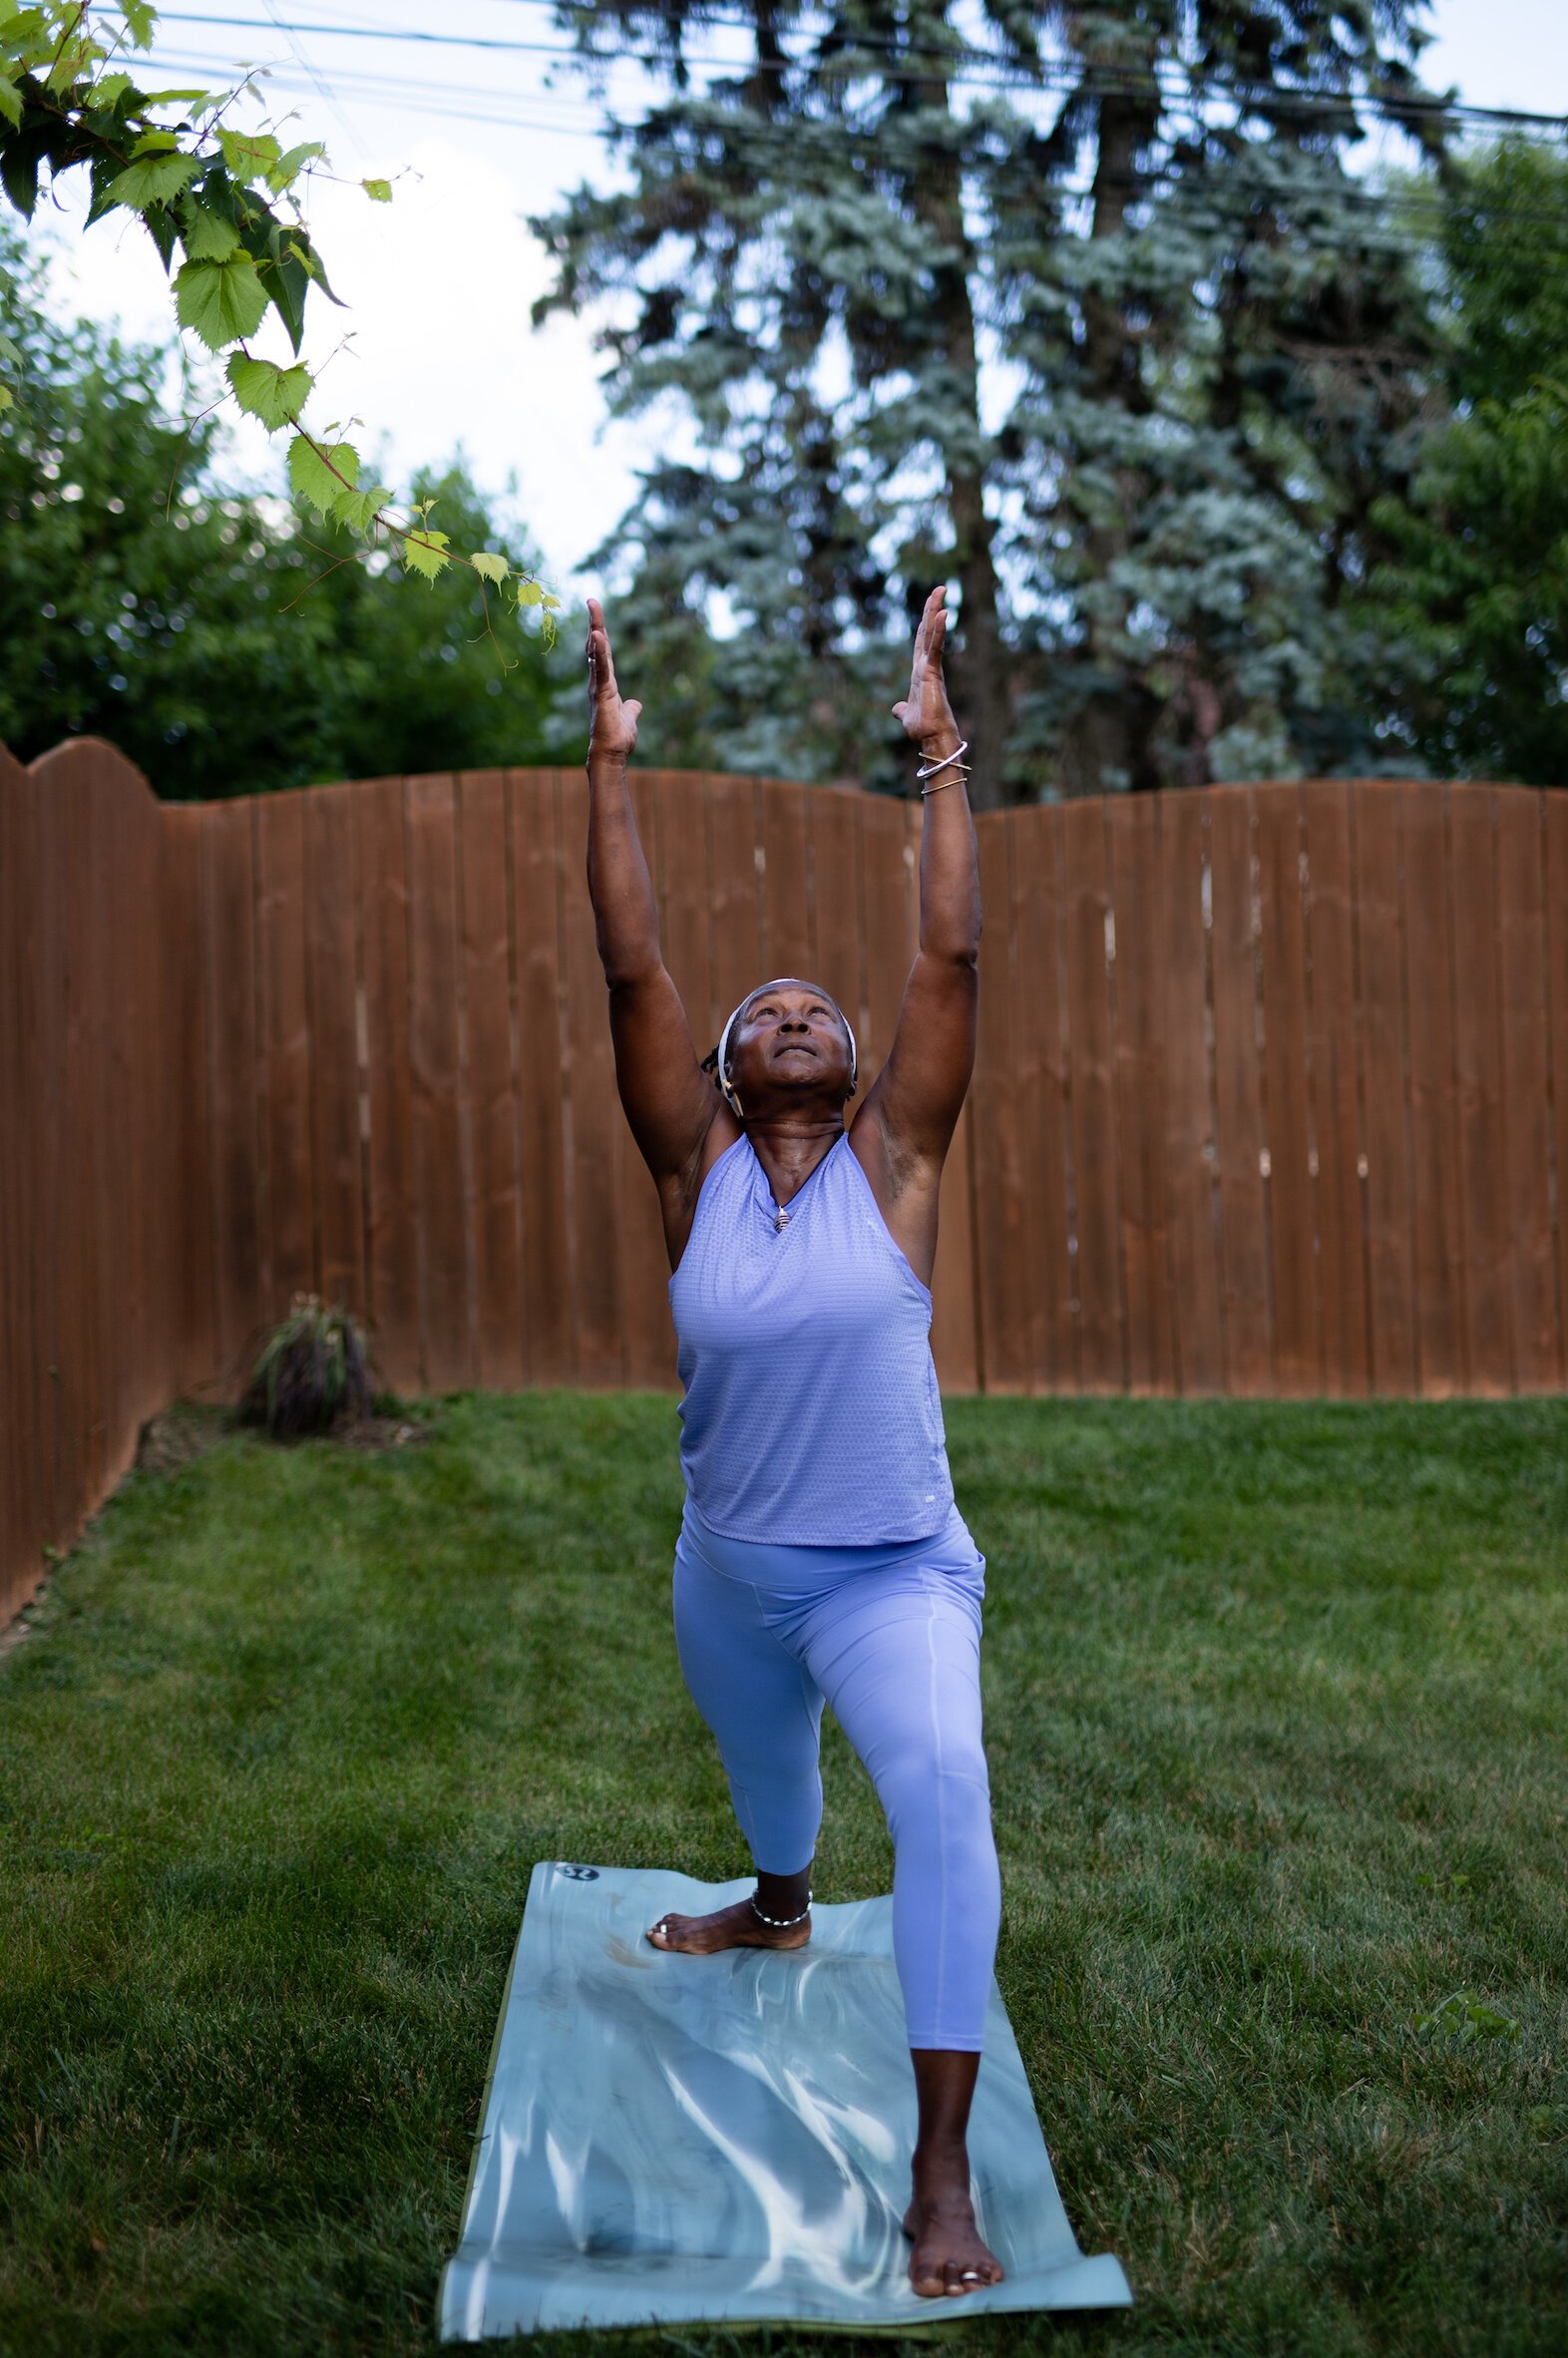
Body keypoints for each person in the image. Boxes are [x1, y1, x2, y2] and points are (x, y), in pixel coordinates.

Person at [582, 585, 1003, 2299]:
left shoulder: (898, 1166)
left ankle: (943, 2173)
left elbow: (948, 958)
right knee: (776, 1802)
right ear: (723, 1075)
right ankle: (774, 1901)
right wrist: (604, 765)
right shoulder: (689, 1180)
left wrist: (943, 761)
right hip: (733, 1572)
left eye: (821, 1009)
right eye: (764, 1014)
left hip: (893, 1570)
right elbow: (630, 960)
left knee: (946, 1795)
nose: (798, 1015)